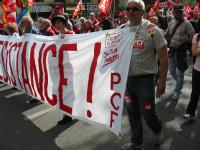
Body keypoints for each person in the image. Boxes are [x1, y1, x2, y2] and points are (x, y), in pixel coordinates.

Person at [121, 0, 168, 150]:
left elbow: (164, 56)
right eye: (128, 9)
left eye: (135, 9)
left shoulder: (152, 30)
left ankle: (157, 129)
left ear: (142, 11)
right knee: (132, 112)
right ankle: (137, 142)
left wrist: (162, 82)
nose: (131, 12)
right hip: (126, 80)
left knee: (147, 112)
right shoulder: (121, 30)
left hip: (145, 81)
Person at [166, 5, 195, 100]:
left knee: (179, 72)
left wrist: (185, 44)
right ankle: (180, 83)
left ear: (182, 13)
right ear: (173, 13)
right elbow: (167, 36)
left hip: (181, 51)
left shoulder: (187, 23)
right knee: (172, 70)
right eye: (176, 12)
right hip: (172, 49)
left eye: (180, 12)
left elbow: (192, 36)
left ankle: (177, 91)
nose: (178, 14)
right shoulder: (170, 23)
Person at [52, 15, 74, 125]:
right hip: (62, 69)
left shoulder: (71, 35)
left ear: (64, 23)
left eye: (58, 22)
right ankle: (67, 114)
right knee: (64, 91)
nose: (56, 25)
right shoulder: (58, 36)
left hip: (70, 68)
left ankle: (69, 115)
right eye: (55, 23)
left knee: (69, 91)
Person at [183, 33, 200, 121]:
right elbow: (193, 52)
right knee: (195, 93)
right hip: (197, 69)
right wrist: (197, 51)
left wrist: (198, 50)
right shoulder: (197, 36)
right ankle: (190, 113)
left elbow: (196, 51)